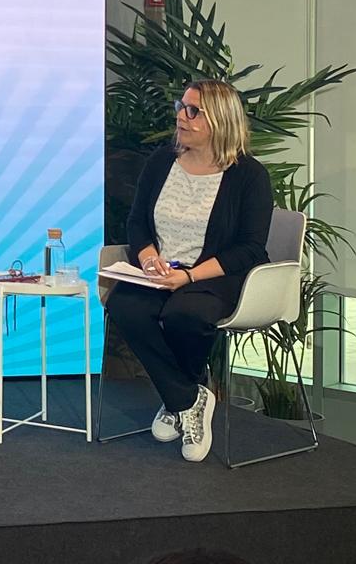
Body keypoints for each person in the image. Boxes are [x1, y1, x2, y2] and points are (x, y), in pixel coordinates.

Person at [109, 79, 274, 463]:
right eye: (181, 107)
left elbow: (250, 248)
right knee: (125, 307)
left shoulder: (249, 175)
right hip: (162, 269)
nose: (181, 116)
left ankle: (177, 398)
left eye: (193, 111)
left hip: (216, 276)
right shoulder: (161, 162)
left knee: (185, 313)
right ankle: (187, 397)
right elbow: (137, 222)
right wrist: (149, 258)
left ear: (220, 120)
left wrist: (189, 277)